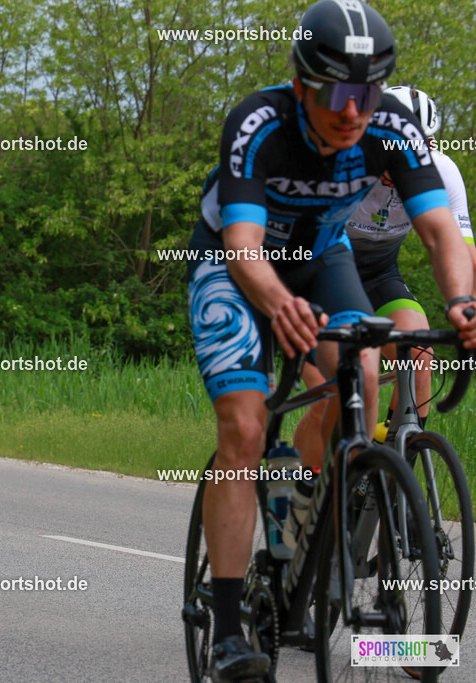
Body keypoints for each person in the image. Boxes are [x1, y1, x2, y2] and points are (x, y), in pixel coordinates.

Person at [184, 2, 476, 679]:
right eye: (339, 93)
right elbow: (243, 244)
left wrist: (462, 302)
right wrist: (278, 303)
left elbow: (440, 233)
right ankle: (229, 627)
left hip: (321, 256)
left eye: (368, 93)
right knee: (245, 425)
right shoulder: (259, 124)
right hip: (236, 266)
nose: (354, 111)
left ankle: (299, 520)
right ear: (302, 84)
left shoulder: (392, 128)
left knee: (365, 377)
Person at [296, 86, 476, 458]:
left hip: (380, 274)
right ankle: (306, 489)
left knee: (420, 351)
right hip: (324, 272)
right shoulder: (346, 161)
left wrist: (469, 307)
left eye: (419, 143)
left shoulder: (441, 171)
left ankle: (392, 464)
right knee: (335, 393)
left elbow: (461, 248)